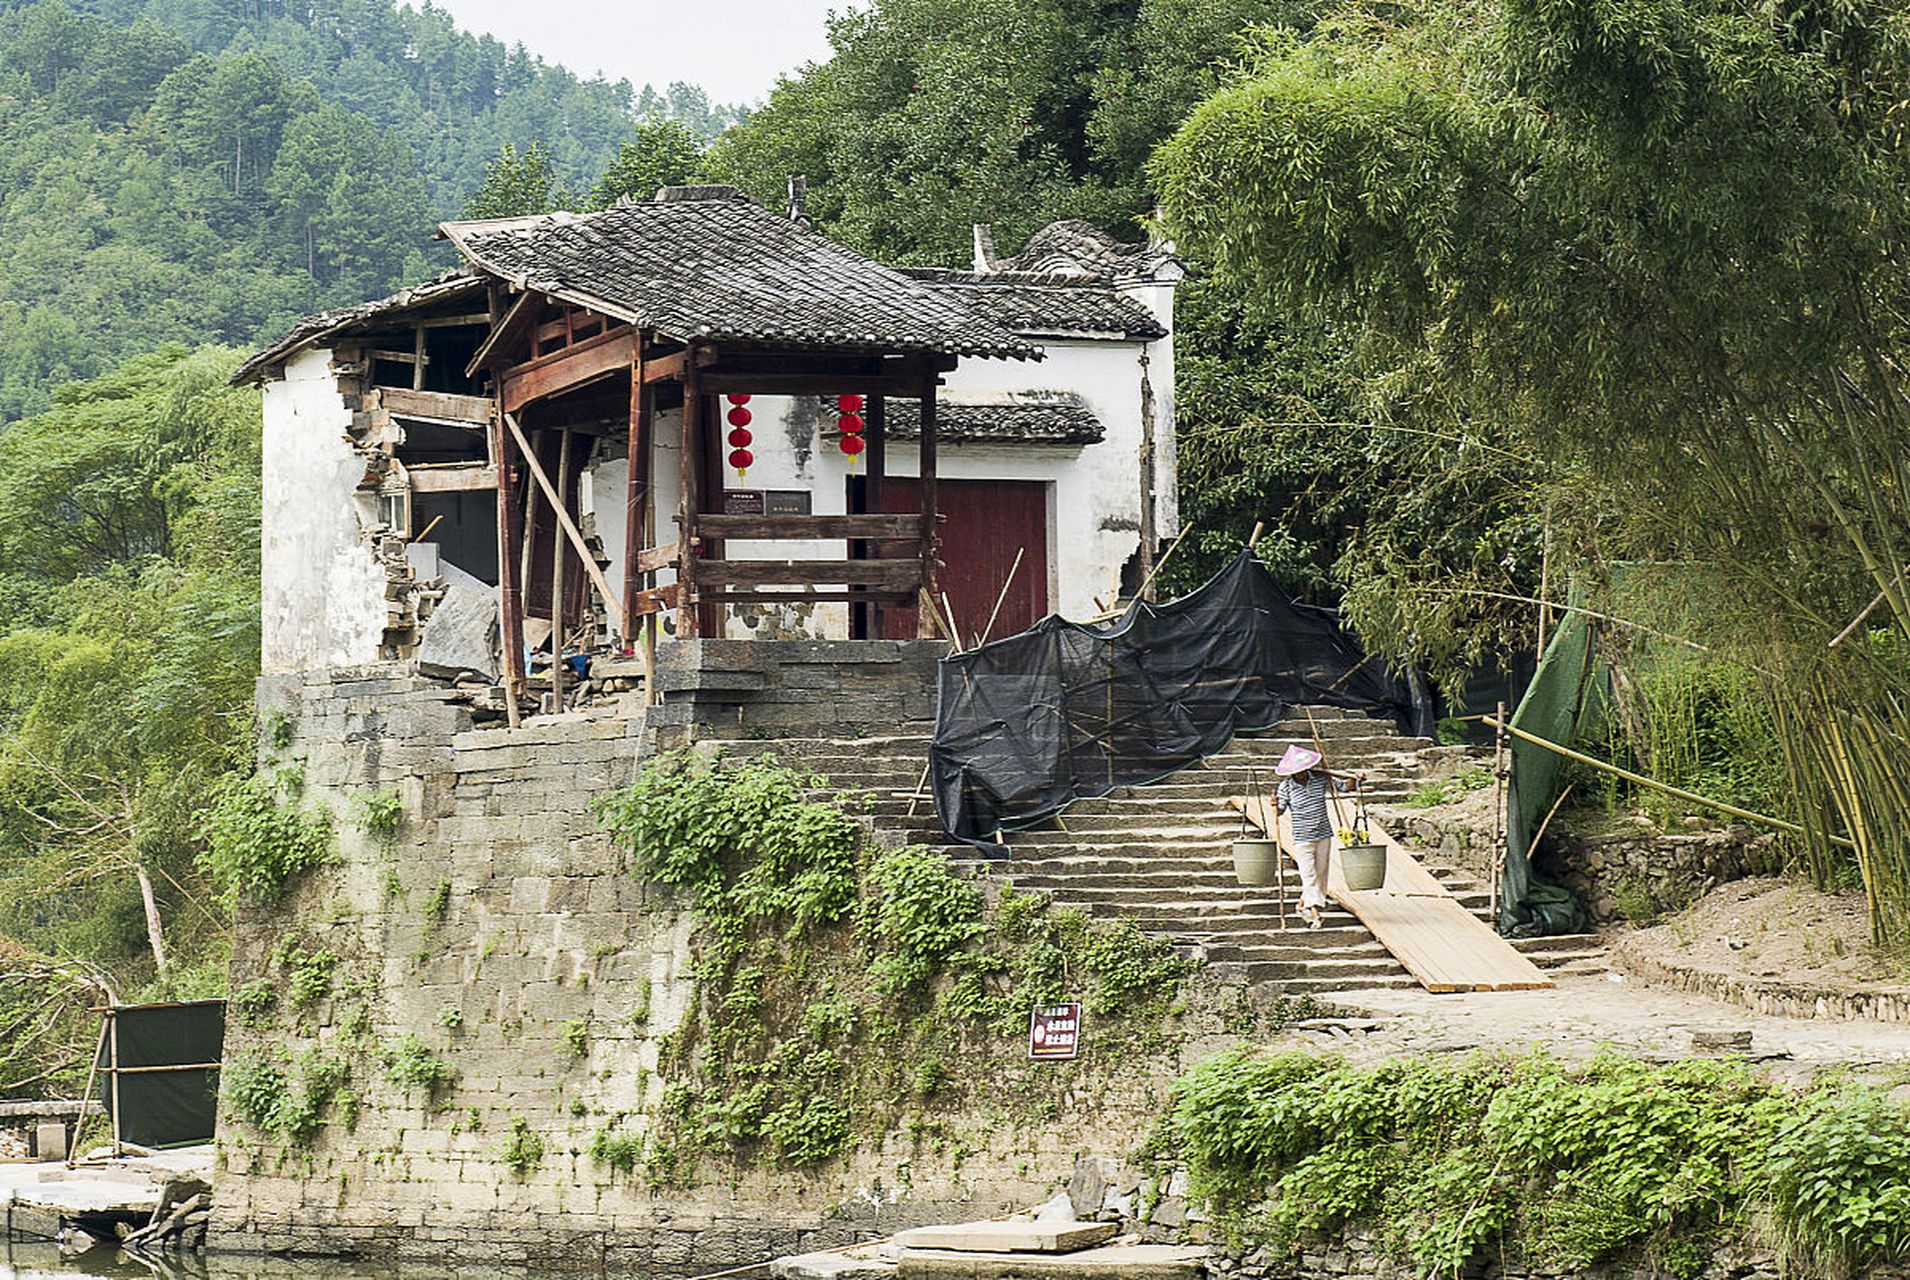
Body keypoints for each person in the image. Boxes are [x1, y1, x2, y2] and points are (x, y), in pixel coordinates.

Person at [1273, 744, 1365, 929]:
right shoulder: (1285, 786)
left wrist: (1356, 779)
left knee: (1321, 874)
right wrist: (1275, 805)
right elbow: (1279, 811)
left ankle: (1302, 904)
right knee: (1308, 875)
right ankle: (1315, 913)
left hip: (1323, 833)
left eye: (1302, 770)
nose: (1300, 774)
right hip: (1302, 837)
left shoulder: (1320, 778)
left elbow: (1343, 787)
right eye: (1296, 771)